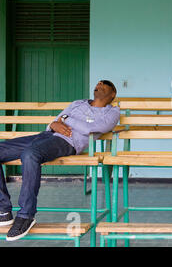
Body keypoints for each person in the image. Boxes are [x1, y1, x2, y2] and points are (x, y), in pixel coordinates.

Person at [0, 80, 120, 241]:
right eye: (98, 83)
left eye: (105, 83)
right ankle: (3, 210)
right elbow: (54, 123)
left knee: (30, 154)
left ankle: (26, 215)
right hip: (46, 137)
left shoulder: (112, 112)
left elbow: (90, 129)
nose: (99, 84)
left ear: (113, 94)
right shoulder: (78, 103)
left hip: (68, 143)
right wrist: (57, 123)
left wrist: (66, 119)